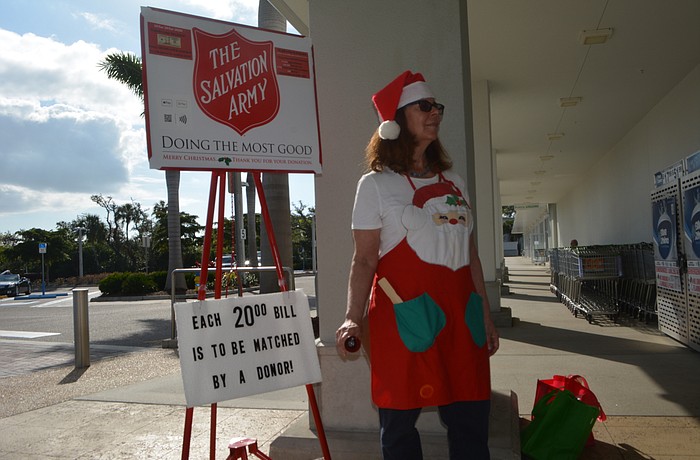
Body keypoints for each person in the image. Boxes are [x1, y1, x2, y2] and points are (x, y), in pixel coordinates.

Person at [335, 70, 500, 460]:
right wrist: (351, 317)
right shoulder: (374, 185)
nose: (435, 113)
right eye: (424, 106)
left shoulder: (455, 180)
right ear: (395, 121)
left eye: (437, 106)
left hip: (463, 319)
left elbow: (471, 256)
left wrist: (487, 315)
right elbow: (364, 259)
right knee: (399, 428)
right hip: (405, 319)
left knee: (471, 421)